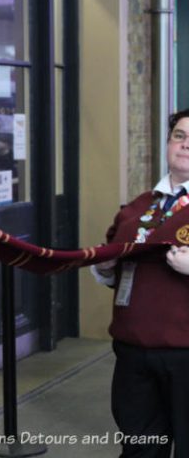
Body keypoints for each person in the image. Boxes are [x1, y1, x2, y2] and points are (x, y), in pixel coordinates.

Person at [92, 108, 189, 458]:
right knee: (140, 448)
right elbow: (111, 275)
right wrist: (104, 265)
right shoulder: (137, 208)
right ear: (167, 143)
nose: (185, 145)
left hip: (186, 352)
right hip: (133, 349)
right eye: (179, 136)